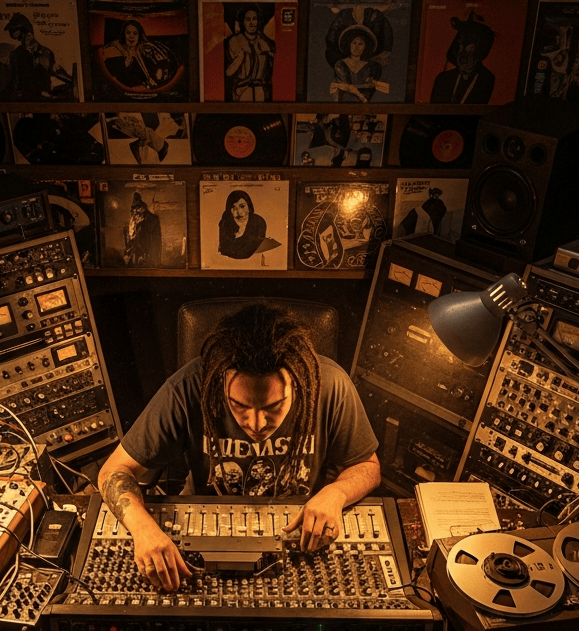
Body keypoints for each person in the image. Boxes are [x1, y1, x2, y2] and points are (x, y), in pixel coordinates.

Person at [98, 304, 381, 590]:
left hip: (301, 530)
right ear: (219, 384)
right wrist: (142, 528)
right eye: (239, 405)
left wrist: (336, 493)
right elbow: (113, 471)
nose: (256, 424)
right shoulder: (188, 388)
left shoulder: (330, 385)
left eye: (273, 406)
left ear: (297, 384)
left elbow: (368, 467)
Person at [0, 13, 72, 101]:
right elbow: (15, 83)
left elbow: (56, 71)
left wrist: (72, 81)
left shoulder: (46, 53)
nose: (23, 40)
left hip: (44, 101)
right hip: (24, 101)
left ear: (30, 33)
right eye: (19, 38)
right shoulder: (16, 54)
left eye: (24, 35)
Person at [429, 12, 496, 104]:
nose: (463, 54)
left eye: (469, 48)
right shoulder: (443, 79)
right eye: (461, 47)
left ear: (479, 51)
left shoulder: (486, 79)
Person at [102, 19, 175, 91]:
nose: (131, 36)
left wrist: (151, 81)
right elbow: (108, 73)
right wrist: (125, 63)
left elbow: (153, 74)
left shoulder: (143, 52)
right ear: (124, 34)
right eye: (128, 33)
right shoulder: (115, 50)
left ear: (139, 35)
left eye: (135, 33)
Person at [225, 6, 275, 101]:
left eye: (254, 19)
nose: (252, 23)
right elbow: (228, 73)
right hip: (241, 91)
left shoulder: (266, 42)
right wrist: (239, 59)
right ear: (243, 22)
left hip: (261, 92)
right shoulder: (235, 41)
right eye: (248, 19)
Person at [330, 27, 384, 103]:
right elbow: (344, 87)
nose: (356, 47)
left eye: (360, 44)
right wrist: (364, 86)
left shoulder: (371, 67)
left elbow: (369, 91)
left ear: (365, 47)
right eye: (354, 43)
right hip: (344, 105)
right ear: (349, 44)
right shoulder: (340, 65)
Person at [218, 190, 268, 260]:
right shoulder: (225, 223)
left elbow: (251, 251)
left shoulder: (258, 222)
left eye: (242, 206)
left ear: (249, 206)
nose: (239, 212)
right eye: (233, 207)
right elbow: (224, 250)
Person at [123, 192, 161, 267]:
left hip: (147, 256)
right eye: (134, 210)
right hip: (136, 255)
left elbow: (155, 241)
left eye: (137, 209)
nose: (135, 212)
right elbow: (132, 239)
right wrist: (128, 252)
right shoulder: (133, 222)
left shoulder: (152, 220)